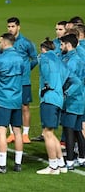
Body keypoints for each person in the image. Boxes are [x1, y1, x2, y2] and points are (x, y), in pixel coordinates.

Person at [36, 38, 74, 175]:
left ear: (43, 49)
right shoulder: (60, 61)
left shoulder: (45, 57)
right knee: (51, 133)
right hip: (59, 99)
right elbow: (72, 79)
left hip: (49, 98)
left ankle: (52, 166)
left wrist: (47, 87)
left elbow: (45, 72)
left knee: (47, 133)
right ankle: (61, 164)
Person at [0, 33, 24, 173]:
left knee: (2, 131)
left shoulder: (0, 59)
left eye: (0, 41)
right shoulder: (20, 59)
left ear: (4, 42)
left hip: (3, 99)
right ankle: (18, 164)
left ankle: (2, 165)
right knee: (17, 131)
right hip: (17, 99)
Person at [6, 17, 37, 144]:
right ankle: (12, 133)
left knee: (24, 107)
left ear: (18, 27)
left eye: (13, 26)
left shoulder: (26, 42)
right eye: (9, 26)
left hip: (23, 80)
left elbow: (35, 58)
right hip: (9, 80)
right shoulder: (6, 41)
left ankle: (25, 134)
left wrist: (26, 69)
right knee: (10, 106)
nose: (10, 29)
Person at [59, 34, 85, 170]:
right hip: (80, 98)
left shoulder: (71, 62)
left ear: (68, 45)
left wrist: (65, 94)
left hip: (72, 101)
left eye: (62, 44)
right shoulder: (79, 59)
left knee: (69, 130)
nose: (60, 47)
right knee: (77, 130)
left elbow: (74, 82)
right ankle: (82, 158)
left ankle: (69, 161)